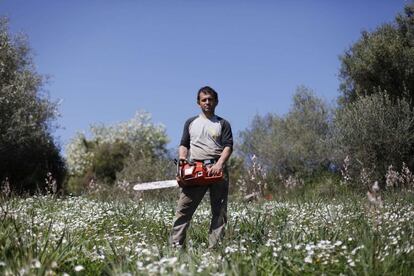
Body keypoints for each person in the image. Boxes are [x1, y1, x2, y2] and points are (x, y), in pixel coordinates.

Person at [170, 86, 233, 249]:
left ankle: (215, 249)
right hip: (195, 168)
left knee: (219, 212)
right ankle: (176, 247)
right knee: (184, 209)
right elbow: (184, 144)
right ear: (198, 103)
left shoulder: (222, 123)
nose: (207, 102)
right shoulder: (191, 122)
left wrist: (219, 164)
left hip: (217, 169)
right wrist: (183, 159)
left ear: (216, 102)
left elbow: (228, 146)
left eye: (210, 99)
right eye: (204, 100)